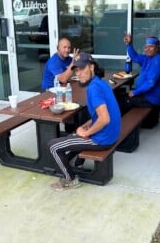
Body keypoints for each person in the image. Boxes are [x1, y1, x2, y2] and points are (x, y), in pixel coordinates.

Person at [48, 52, 121, 191]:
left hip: (103, 139)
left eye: (82, 69)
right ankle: (76, 163)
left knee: (53, 146)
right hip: (111, 134)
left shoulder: (93, 88)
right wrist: (86, 126)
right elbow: (100, 116)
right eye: (76, 70)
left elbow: (104, 119)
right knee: (73, 134)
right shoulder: (100, 82)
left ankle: (70, 179)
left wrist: (86, 133)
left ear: (92, 67)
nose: (79, 73)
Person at [119, 34, 160, 115]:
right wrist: (129, 44)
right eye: (146, 46)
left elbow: (150, 83)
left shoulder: (158, 61)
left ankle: (122, 125)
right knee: (122, 97)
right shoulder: (148, 58)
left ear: (158, 48)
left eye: (151, 46)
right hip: (146, 94)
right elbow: (134, 57)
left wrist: (135, 92)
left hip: (152, 99)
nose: (147, 49)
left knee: (123, 102)